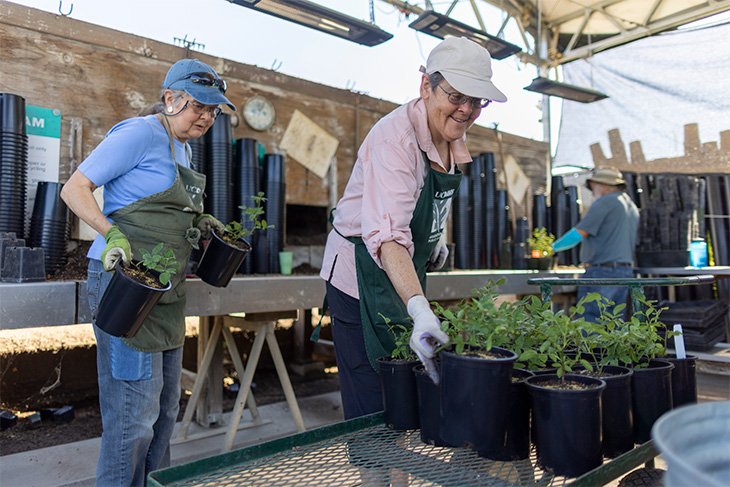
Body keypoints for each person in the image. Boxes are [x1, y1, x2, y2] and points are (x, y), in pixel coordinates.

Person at [60, 59, 234, 485]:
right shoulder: (138, 134)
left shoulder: (184, 148)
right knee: (132, 415)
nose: (207, 118)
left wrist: (200, 223)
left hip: (166, 291)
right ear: (171, 98)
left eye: (213, 111)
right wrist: (111, 233)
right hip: (127, 288)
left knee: (165, 410)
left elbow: (166, 210)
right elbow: (74, 189)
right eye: (200, 107)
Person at [317, 37, 507, 419]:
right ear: (426, 86)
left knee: (404, 397)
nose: (466, 110)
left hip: (403, 277)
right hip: (361, 280)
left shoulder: (451, 135)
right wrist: (421, 310)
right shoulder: (395, 140)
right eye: (456, 96)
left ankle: (400, 472)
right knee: (373, 404)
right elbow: (387, 237)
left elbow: (427, 200)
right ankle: (376, 477)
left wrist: (435, 239)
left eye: (477, 101)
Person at [552, 166, 640, 322]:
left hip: (603, 272)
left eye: (592, 186)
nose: (592, 192)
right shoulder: (631, 206)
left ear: (603, 186)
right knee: (615, 324)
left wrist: (550, 248)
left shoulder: (606, 202)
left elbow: (578, 234)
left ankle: (592, 348)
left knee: (591, 322)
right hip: (624, 272)